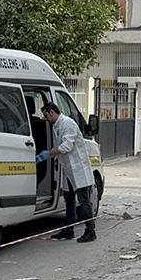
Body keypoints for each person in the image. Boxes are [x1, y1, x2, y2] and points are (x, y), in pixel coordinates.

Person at [40, 102, 97, 243]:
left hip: (78, 168)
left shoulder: (68, 124)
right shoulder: (56, 125)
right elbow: (59, 146)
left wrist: (49, 153)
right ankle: (68, 230)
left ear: (52, 112)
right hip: (68, 169)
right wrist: (51, 154)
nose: (46, 119)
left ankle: (90, 231)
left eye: (46, 116)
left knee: (83, 201)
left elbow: (66, 146)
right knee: (69, 200)